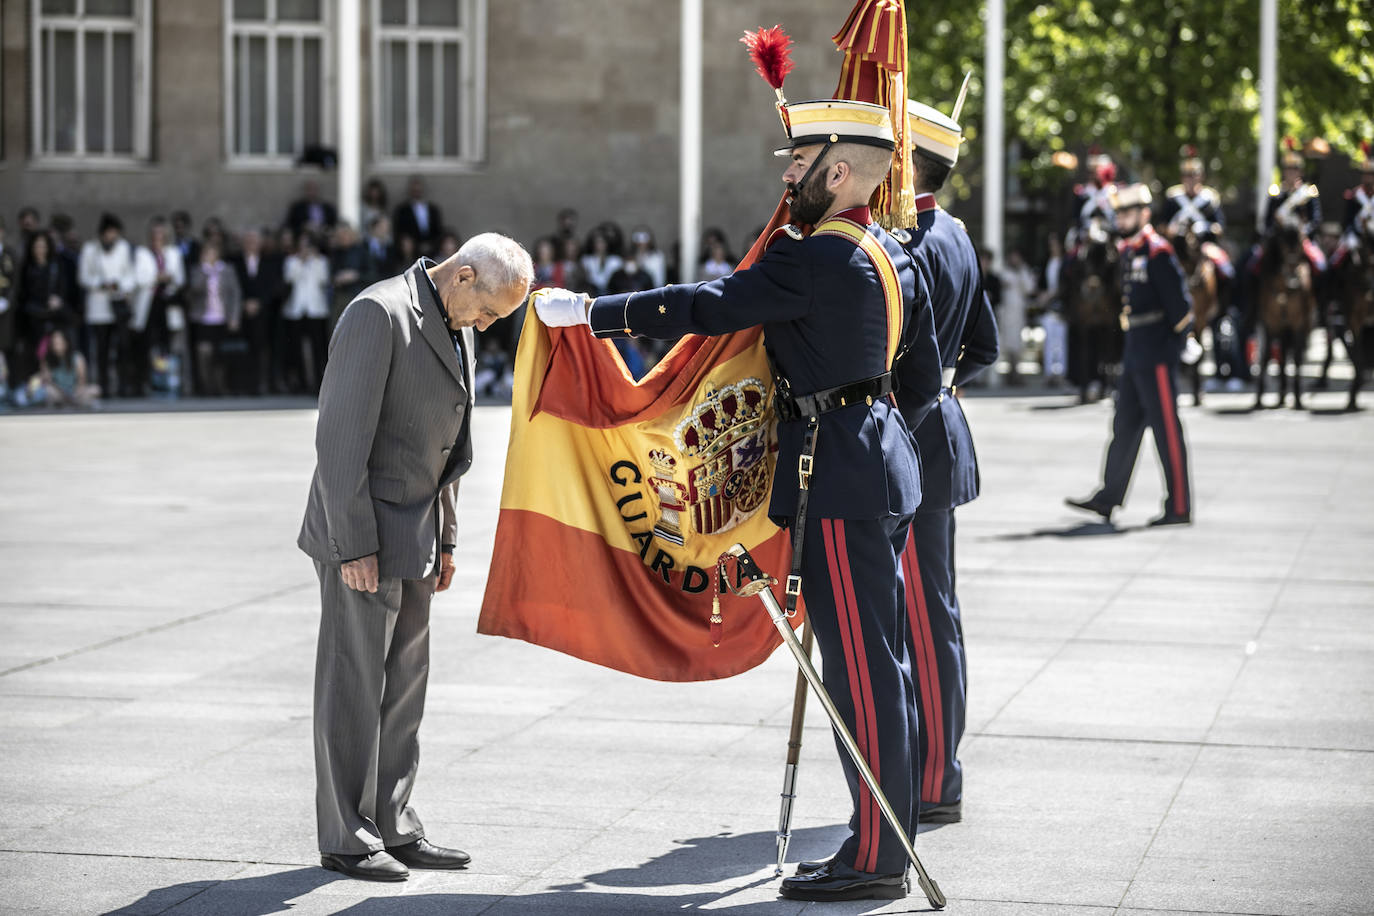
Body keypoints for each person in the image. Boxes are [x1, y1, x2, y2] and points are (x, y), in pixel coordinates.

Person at [535, 98, 941, 903]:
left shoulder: (816, 257)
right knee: (882, 663)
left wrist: (592, 313)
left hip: (840, 476)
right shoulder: (892, 251)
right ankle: (885, 836)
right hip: (883, 464)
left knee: (860, 671)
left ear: (835, 172)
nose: (786, 180)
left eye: (797, 166)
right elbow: (923, 381)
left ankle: (877, 858)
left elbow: (709, 304)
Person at [296, 232, 533, 882]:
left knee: (403, 689)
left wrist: (448, 535)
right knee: (353, 684)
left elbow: (448, 442)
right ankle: (346, 835)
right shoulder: (379, 313)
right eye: (486, 312)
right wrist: (353, 546)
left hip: (419, 534)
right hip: (365, 534)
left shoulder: (454, 318)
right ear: (461, 276)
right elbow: (340, 441)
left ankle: (393, 823)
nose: (485, 326)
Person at [888, 98, 999, 828]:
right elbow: (982, 346)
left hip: (913, 439)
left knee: (926, 618)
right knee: (934, 611)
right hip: (941, 430)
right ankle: (933, 769)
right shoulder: (954, 232)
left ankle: (936, 779)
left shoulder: (914, 238)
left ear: (908, 161)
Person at [1067, 184, 1193, 527]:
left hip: (1157, 353)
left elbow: (1181, 310)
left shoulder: (1158, 252)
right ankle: (1108, 497)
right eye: (1119, 213)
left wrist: (1177, 348)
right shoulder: (1128, 252)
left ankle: (1179, 506)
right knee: (1123, 427)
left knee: (1167, 431)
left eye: (1127, 213)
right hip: (1135, 351)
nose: (1121, 219)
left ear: (1144, 215)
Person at [77, 213, 136, 397]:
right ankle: (103, 386)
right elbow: (83, 277)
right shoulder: (90, 249)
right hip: (98, 306)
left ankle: (123, 385)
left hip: (118, 305)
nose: (112, 236)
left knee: (122, 348)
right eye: (109, 232)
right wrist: (100, 284)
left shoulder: (123, 248)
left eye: (114, 233)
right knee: (101, 349)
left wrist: (120, 285)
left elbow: (130, 275)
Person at [131, 217, 186, 396]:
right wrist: (157, 278)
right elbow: (139, 278)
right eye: (155, 233)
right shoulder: (142, 253)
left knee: (168, 347)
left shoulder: (173, 253)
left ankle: (168, 383)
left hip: (167, 303)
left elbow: (180, 279)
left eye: (161, 233)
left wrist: (169, 279)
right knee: (146, 345)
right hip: (149, 304)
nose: (158, 236)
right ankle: (144, 383)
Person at [186, 237, 242, 396]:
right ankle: (206, 386)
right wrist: (205, 272)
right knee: (203, 352)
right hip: (203, 318)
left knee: (220, 355)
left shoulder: (227, 269)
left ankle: (221, 386)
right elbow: (194, 290)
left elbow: (235, 294)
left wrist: (234, 317)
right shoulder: (197, 270)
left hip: (222, 318)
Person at [231, 228, 285, 395]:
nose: (251, 244)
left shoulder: (271, 262)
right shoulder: (234, 262)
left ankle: (263, 383)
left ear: (260, 243)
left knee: (264, 348)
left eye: (254, 241)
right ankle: (244, 384)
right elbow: (230, 286)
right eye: (247, 240)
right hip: (240, 311)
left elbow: (274, 287)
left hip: (265, 313)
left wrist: (259, 303)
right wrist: (243, 303)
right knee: (244, 350)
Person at [282, 232, 332, 393]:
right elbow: (289, 279)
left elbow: (323, 280)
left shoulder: (321, 261)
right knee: (296, 347)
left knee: (318, 346)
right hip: (296, 309)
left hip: (316, 309)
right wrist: (301, 262)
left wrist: (313, 261)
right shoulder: (291, 261)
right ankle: (301, 381)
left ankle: (319, 381)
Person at [29, 327, 100, 408]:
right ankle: (67, 403)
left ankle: (71, 403)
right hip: (58, 392)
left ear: (66, 343)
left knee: (95, 390)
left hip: (74, 392)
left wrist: (77, 391)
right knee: (48, 391)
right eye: (55, 343)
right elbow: (46, 380)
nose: (57, 346)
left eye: (60, 343)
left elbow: (82, 381)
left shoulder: (77, 357)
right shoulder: (47, 359)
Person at [998, 249, 1036, 384]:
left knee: (1018, 344)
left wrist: (1021, 274)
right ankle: (1010, 372)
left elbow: (1030, 288)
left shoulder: (1024, 271)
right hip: (1007, 313)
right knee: (1007, 344)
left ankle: (1017, 373)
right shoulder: (1004, 271)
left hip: (1019, 312)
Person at [392, 176, 444, 256]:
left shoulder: (433, 209)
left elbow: (438, 230)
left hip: (432, 249)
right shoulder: (403, 210)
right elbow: (400, 231)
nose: (417, 191)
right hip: (411, 250)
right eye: (414, 189)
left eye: (419, 189)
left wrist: (431, 244)